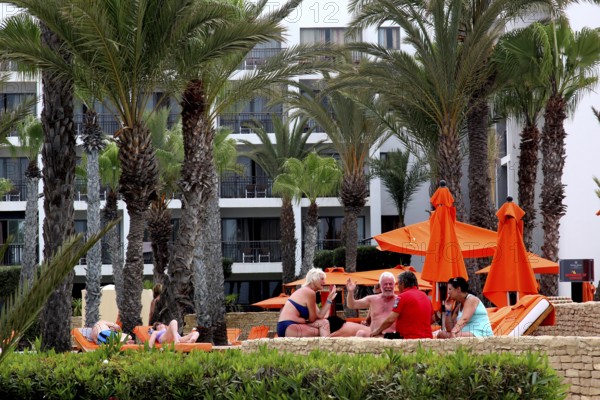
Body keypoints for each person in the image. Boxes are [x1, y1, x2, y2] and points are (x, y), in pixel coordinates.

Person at [370, 271, 434, 339]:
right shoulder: (425, 296)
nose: (398, 287)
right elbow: (433, 319)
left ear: (402, 284)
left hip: (408, 338)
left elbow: (390, 319)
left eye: (398, 284)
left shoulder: (402, 297)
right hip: (427, 338)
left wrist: (377, 330)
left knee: (377, 337)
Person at [277, 268, 336, 337]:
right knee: (322, 328)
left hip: (285, 326)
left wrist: (329, 299)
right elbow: (312, 319)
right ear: (314, 279)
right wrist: (304, 320)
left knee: (324, 323)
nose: (324, 282)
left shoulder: (307, 291)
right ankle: (325, 347)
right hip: (289, 326)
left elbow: (320, 315)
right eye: (322, 279)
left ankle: (324, 346)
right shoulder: (310, 293)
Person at [346, 272, 397, 337]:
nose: (388, 286)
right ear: (380, 285)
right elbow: (352, 305)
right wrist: (350, 292)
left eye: (390, 284)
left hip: (392, 337)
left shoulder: (399, 300)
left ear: (394, 285)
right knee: (360, 333)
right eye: (385, 284)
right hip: (374, 336)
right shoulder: (372, 299)